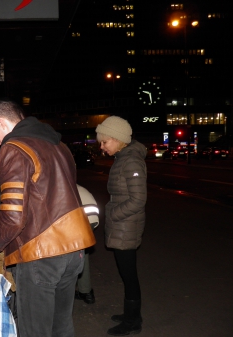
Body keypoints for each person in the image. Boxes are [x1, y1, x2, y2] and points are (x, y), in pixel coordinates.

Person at [0, 99, 96, 337]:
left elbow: (14, 219)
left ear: (2, 122)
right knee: (61, 326)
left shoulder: (14, 148)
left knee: (35, 331)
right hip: (74, 250)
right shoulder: (59, 145)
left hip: (40, 254)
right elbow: (50, 197)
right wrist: (4, 212)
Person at [95, 116, 147, 336]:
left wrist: (112, 213)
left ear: (117, 139)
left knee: (129, 274)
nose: (102, 146)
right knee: (126, 273)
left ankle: (133, 320)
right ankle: (131, 315)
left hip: (126, 226)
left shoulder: (131, 161)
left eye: (105, 142)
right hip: (122, 225)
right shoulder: (122, 157)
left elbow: (138, 199)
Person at [75, 184, 100, 305]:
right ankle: (86, 292)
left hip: (80, 221)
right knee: (82, 255)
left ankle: (65, 294)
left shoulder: (59, 185)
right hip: (91, 220)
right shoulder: (78, 186)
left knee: (69, 258)